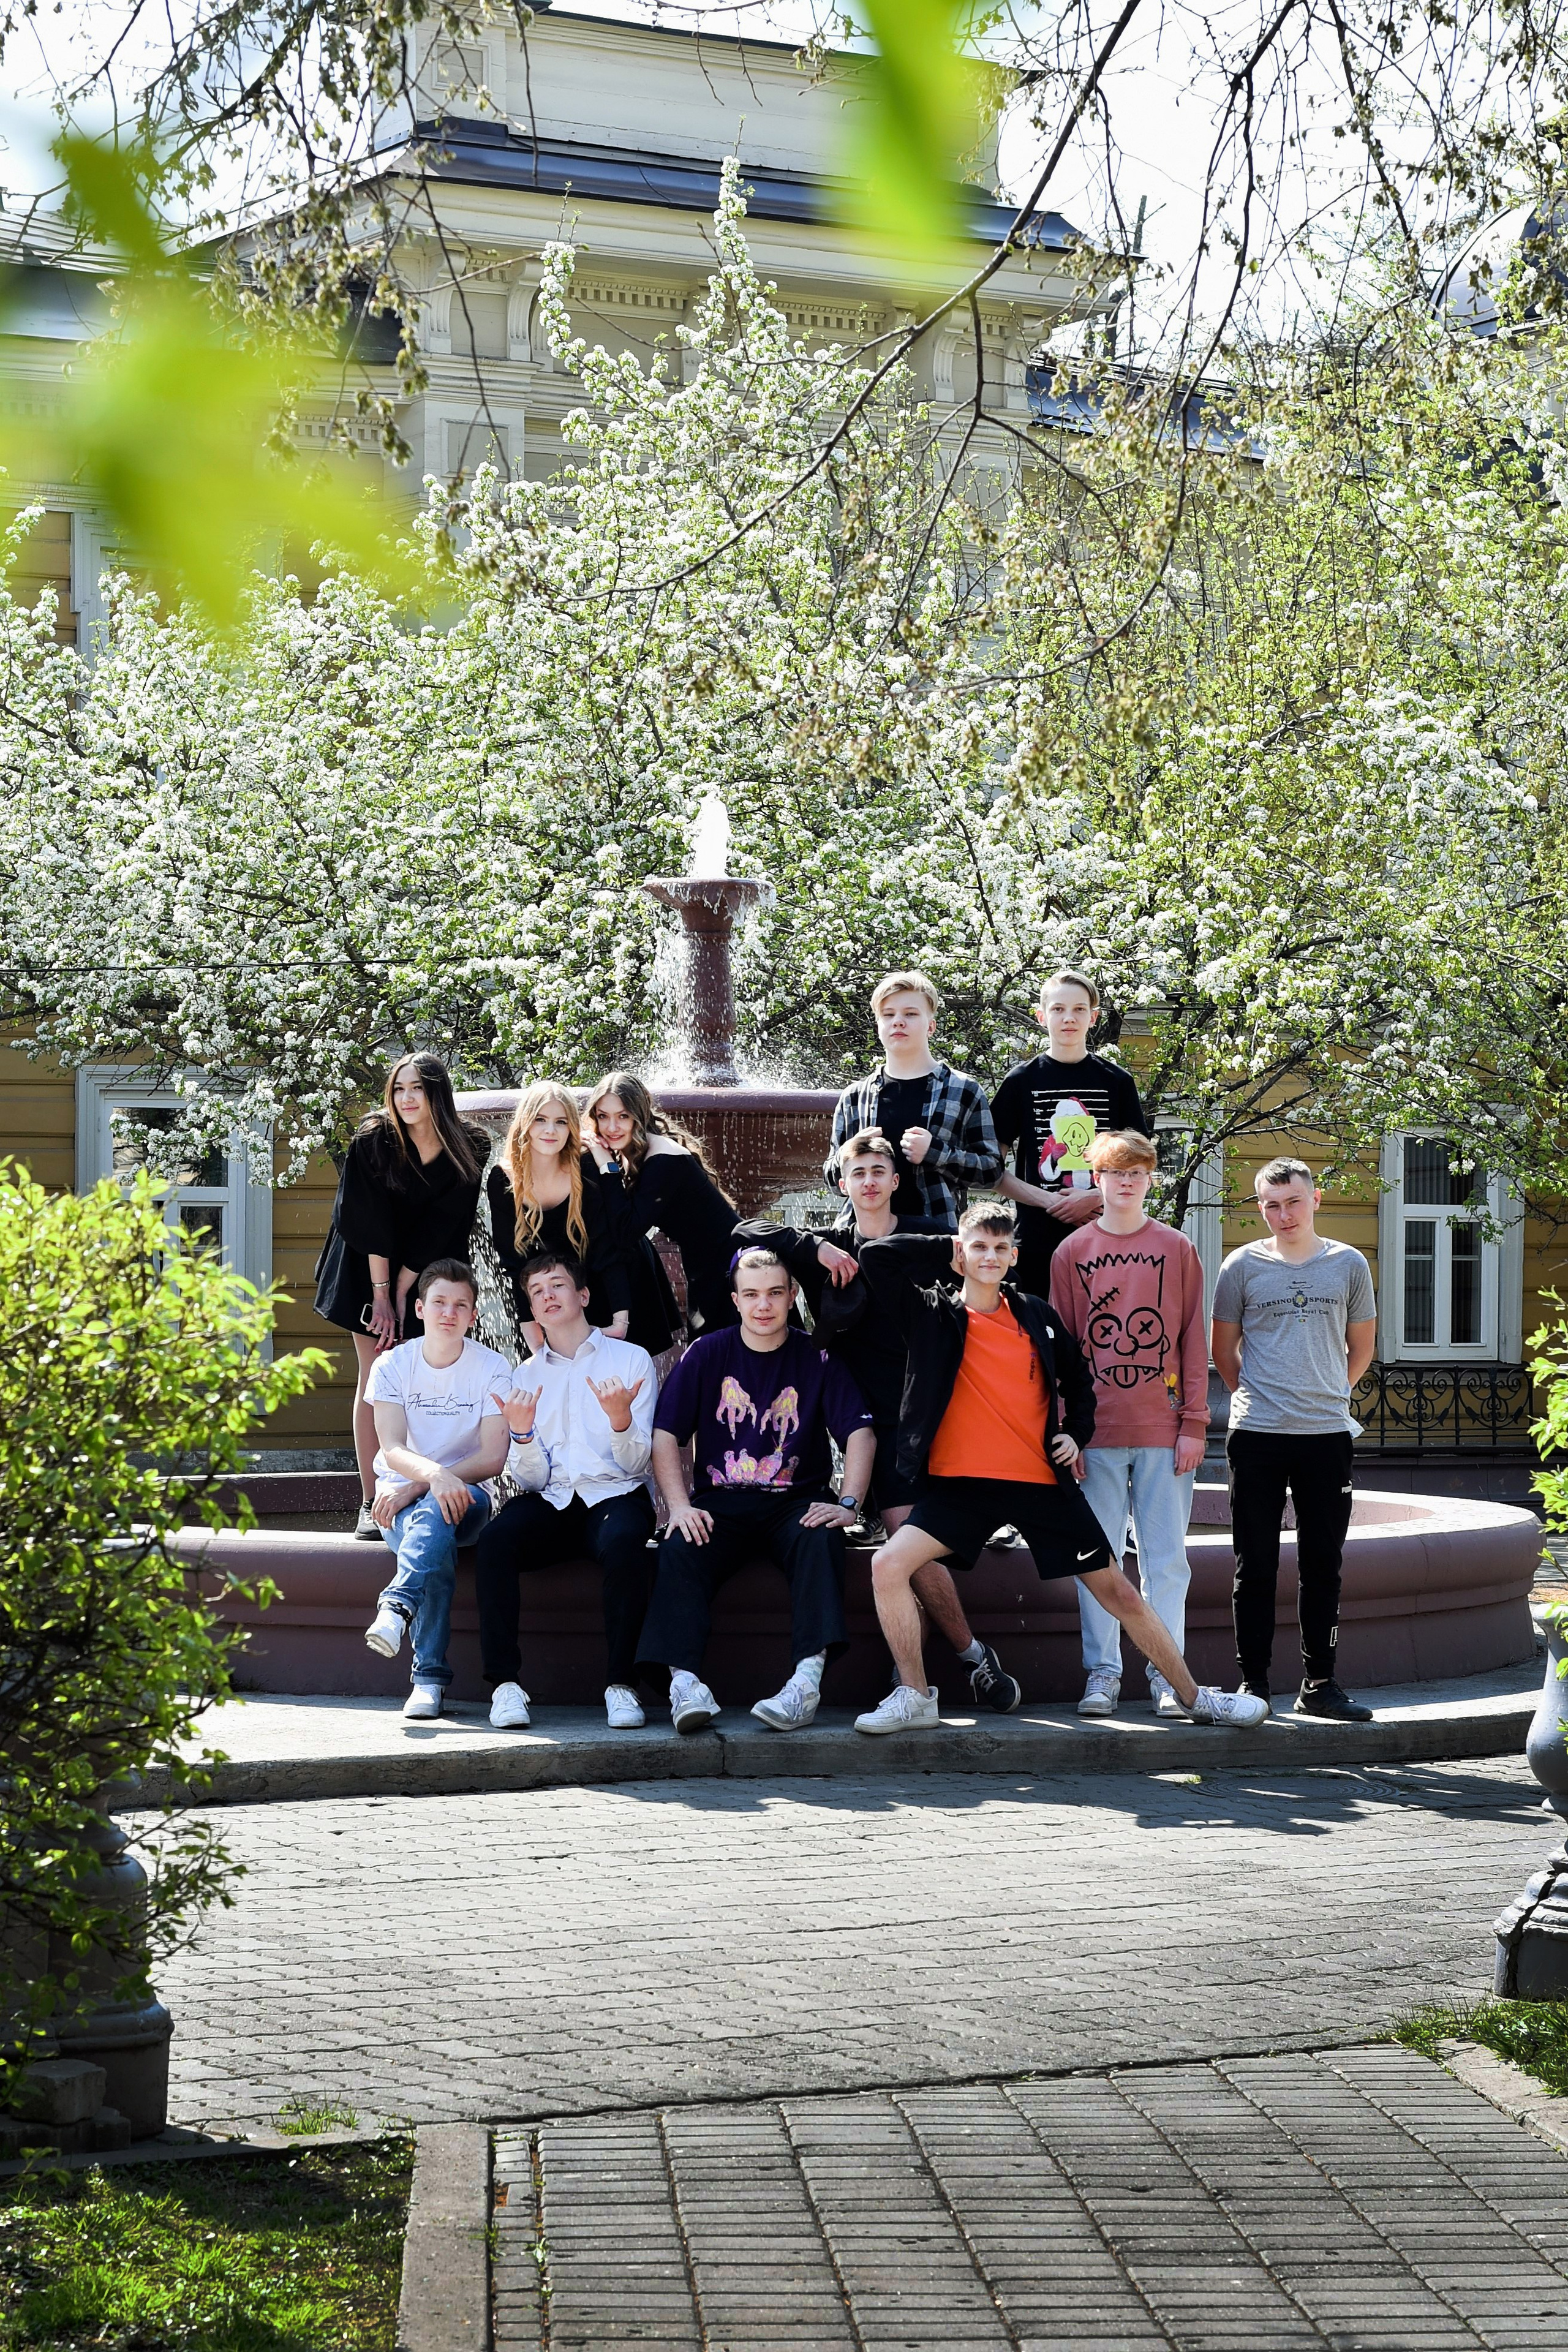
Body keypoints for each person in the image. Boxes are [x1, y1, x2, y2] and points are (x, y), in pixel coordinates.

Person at [851, 1204, 1269, 1735]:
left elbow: (1080, 1381)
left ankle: (1194, 1697)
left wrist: (1077, 1434)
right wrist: (955, 1245)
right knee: (887, 1565)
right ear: (961, 1252)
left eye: (1001, 1249)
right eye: (979, 1247)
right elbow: (876, 1256)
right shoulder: (933, 1316)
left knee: (1118, 1590)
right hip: (963, 1487)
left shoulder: (1036, 1317)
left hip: (1040, 1484)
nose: (990, 1257)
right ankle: (915, 1696)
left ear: (1015, 1257)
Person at [736, 1128, 1022, 1713]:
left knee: (907, 1543)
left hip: (929, 1418)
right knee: (903, 1543)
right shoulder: (827, 1246)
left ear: (895, 1181)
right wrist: (811, 1247)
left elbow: (985, 1289)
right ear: (843, 1184)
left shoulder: (930, 1242)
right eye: (857, 1174)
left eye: (878, 1173)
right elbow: (743, 1230)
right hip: (857, 1423)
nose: (868, 1183)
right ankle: (960, 1662)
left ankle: (939, 1668)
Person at [635, 1247, 877, 1733]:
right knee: (680, 1545)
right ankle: (685, 1684)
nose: (763, 1305)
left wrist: (848, 1503)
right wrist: (678, 1507)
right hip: (720, 1504)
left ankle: (805, 1682)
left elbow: (860, 1433)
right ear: (736, 1300)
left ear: (791, 1297)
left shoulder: (818, 1355)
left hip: (795, 1504)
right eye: (751, 1295)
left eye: (773, 1293)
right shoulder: (707, 1353)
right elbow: (664, 1435)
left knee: (820, 1538)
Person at [1212, 1156, 1379, 1721]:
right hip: (1256, 1435)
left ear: (1316, 1199)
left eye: (1293, 1202)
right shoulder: (1241, 1266)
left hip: (1326, 1435)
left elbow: (1363, 1349)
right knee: (1253, 1564)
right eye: (1270, 1204)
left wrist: (1325, 1394)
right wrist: (1262, 1397)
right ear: (1260, 1206)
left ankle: (1321, 1685)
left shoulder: (1349, 1264)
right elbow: (1223, 1352)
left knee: (1322, 1564)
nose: (1282, 1214)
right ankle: (1253, 1686)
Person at [1049, 1129, 1208, 1719]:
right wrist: (1069, 1432)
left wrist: (1194, 1422)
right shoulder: (1071, 1253)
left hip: (1165, 1433)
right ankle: (1103, 1673)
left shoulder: (1176, 1248)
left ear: (1150, 1179)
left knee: (1167, 1560)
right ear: (1096, 1177)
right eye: (1114, 1172)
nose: (1125, 1182)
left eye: (1136, 1173)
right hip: (1097, 1437)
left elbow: (1194, 1336)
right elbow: (1060, 1351)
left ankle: (1169, 1675)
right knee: (1100, 1560)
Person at [475, 1250, 660, 1733]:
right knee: (495, 1541)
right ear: (532, 1311)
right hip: (554, 1500)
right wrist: (522, 1434)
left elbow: (638, 1464)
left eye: (556, 1285)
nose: (547, 1296)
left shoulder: (631, 1359)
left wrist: (620, 1418)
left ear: (583, 1295)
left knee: (624, 1544)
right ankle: (504, 1686)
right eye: (536, 1292)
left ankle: (621, 1686)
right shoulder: (527, 1374)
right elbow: (530, 1480)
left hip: (615, 1495)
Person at [313, 1053, 491, 1540]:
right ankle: (373, 1501)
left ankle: (426, 1490)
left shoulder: (469, 1145)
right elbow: (369, 1222)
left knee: (428, 1379)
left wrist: (406, 1287)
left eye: (417, 1089)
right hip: (366, 1264)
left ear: (439, 1094)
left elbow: (443, 1223)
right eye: (398, 1089)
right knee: (377, 1377)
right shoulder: (374, 1139)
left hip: (427, 1272)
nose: (406, 1099)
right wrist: (382, 1296)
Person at [361, 1259, 511, 1719]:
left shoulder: (493, 1367)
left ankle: (397, 1611)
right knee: (436, 1536)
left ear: (474, 1315)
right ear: (421, 1308)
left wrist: (423, 1486)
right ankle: (428, 1681)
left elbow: (493, 1457)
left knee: (439, 1509)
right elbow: (391, 1447)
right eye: (440, 1302)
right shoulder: (391, 1365)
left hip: (467, 1497)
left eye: (461, 1305)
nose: (450, 1312)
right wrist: (433, 1479)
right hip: (404, 1501)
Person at [991, 969, 1152, 1303]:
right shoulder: (1021, 1081)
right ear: (1041, 1016)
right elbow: (989, 1170)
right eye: (1058, 1009)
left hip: (1107, 1235)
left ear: (1093, 1017)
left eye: (1079, 1009)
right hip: (1037, 1239)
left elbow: (1142, 1166)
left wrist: (1098, 1197)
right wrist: (1048, 1201)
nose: (1069, 1018)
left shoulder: (1117, 1082)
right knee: (1040, 1339)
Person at [824, 972, 1001, 1232]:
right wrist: (848, 1152)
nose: (898, 1022)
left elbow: (992, 1171)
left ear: (931, 1025)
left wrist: (935, 1153)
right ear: (878, 1025)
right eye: (888, 1015)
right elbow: (831, 1182)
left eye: (910, 1014)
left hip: (936, 1236)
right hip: (863, 1241)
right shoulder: (854, 1097)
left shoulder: (964, 1090)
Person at [584, 1071, 741, 1337]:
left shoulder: (662, 1159)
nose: (611, 1127)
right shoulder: (640, 1153)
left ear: (640, 1114)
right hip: (711, 1267)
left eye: (623, 1116)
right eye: (603, 1116)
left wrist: (607, 1167)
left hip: (732, 1268)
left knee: (723, 1365)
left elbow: (626, 1232)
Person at [487, 1081, 631, 1352]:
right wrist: (532, 1332)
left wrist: (620, 1319)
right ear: (525, 1124)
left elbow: (608, 1244)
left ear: (571, 1128)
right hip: (547, 1304)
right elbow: (514, 1262)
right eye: (540, 1120)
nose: (550, 1130)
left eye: (561, 1122)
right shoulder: (503, 1179)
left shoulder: (585, 1167)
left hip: (603, 1295)